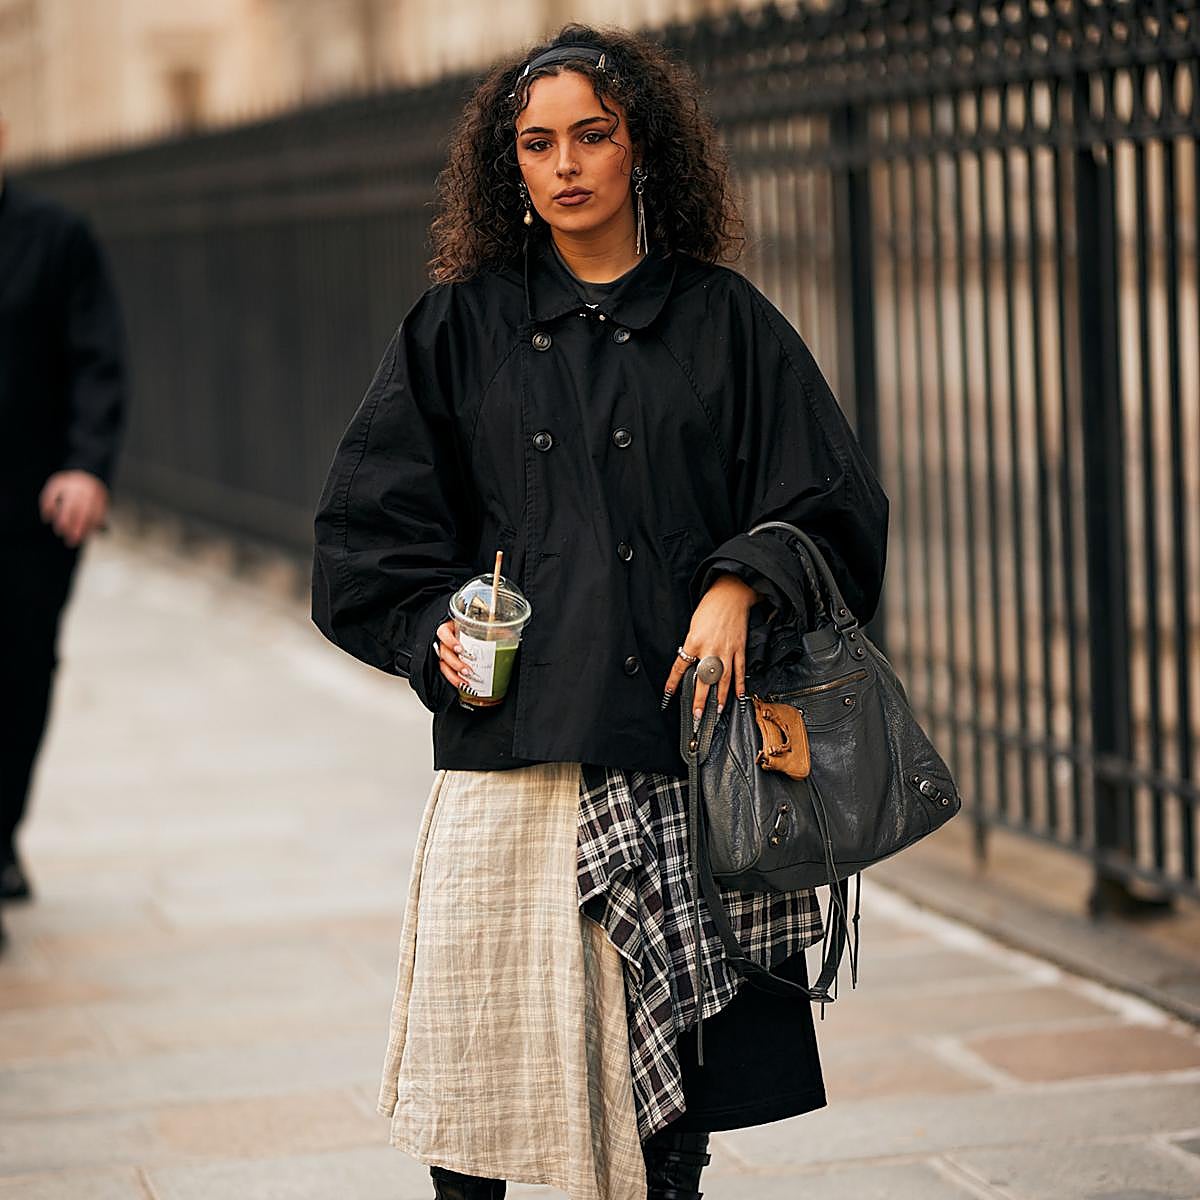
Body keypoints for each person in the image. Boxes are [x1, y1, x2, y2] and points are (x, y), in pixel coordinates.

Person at [312, 25, 887, 1200]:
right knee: (473, 1106)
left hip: (683, 753)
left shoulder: (725, 322)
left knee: (666, 1111)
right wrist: (439, 640)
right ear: (508, 168)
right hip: (511, 760)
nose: (565, 164)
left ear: (641, 150)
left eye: (591, 135)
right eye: (537, 143)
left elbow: (832, 499)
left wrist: (739, 583)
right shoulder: (456, 328)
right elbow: (367, 541)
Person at [0, 112, 128, 939]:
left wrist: (86, 465)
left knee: (17, 677)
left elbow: (97, 359)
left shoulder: (57, 237)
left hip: (27, 509)